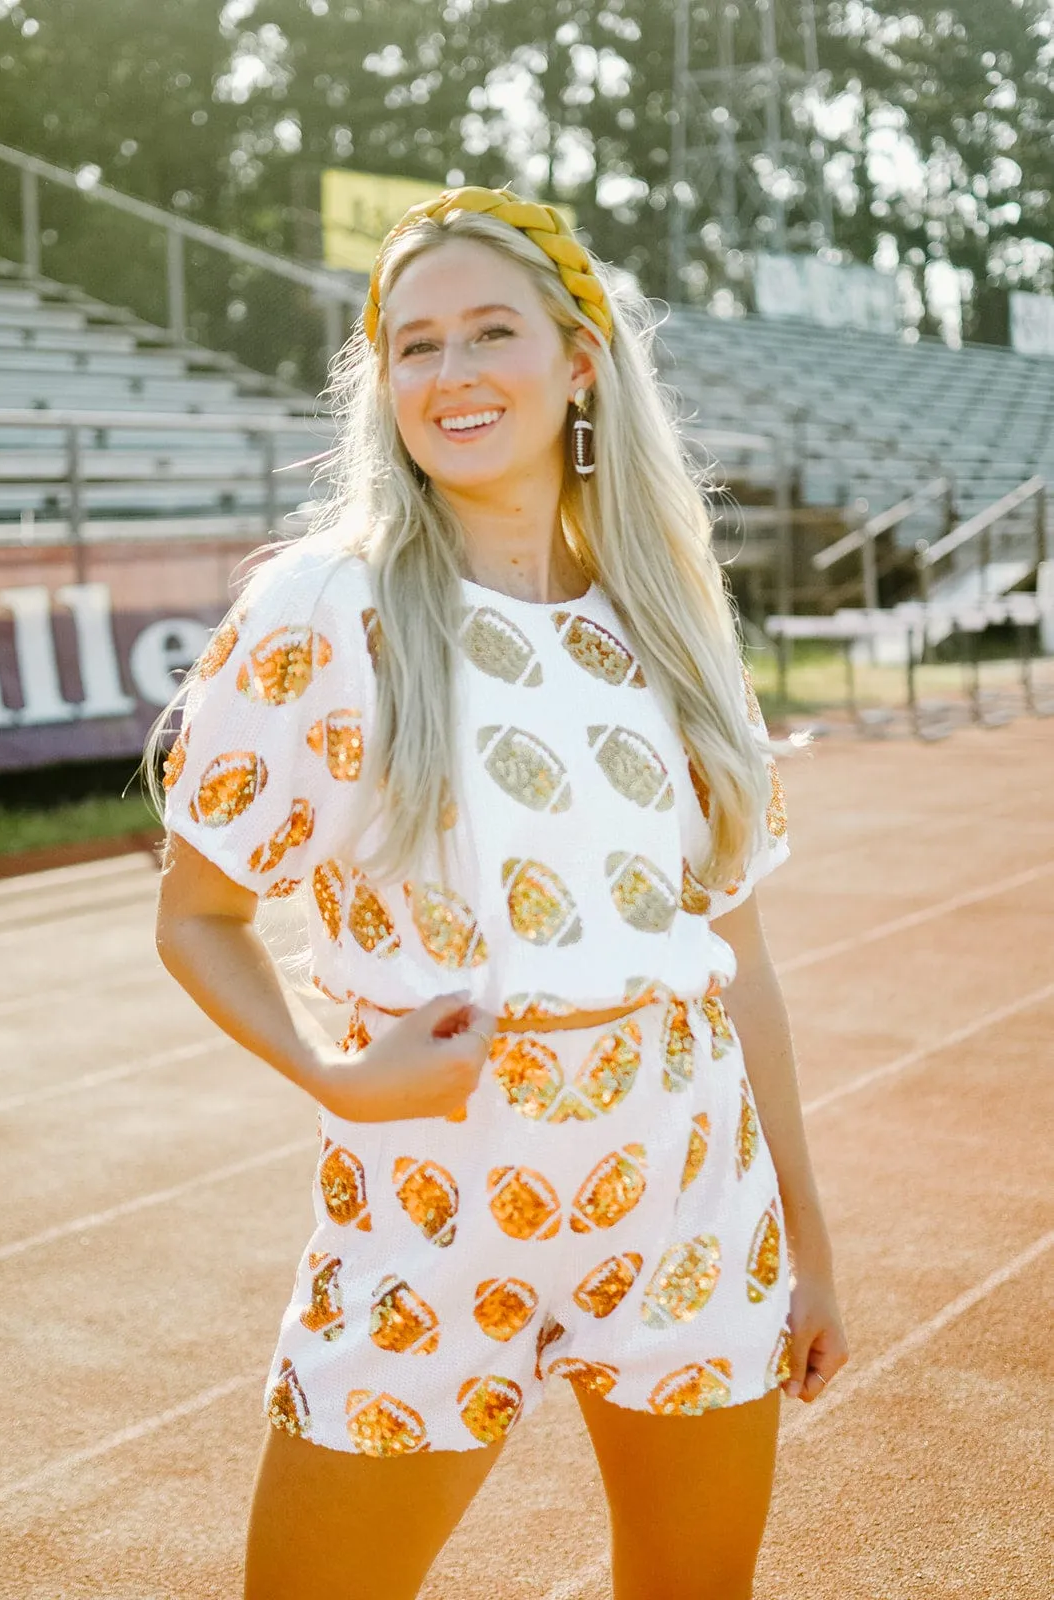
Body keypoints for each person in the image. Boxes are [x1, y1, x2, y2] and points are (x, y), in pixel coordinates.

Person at [150, 186, 849, 1600]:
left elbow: (737, 959)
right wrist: (334, 1075)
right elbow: (196, 916)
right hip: (431, 1203)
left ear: (579, 357)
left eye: (488, 332)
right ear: (381, 380)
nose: (451, 374)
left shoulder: (669, 616)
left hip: (686, 1195)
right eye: (413, 346)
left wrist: (806, 1244)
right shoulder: (321, 609)